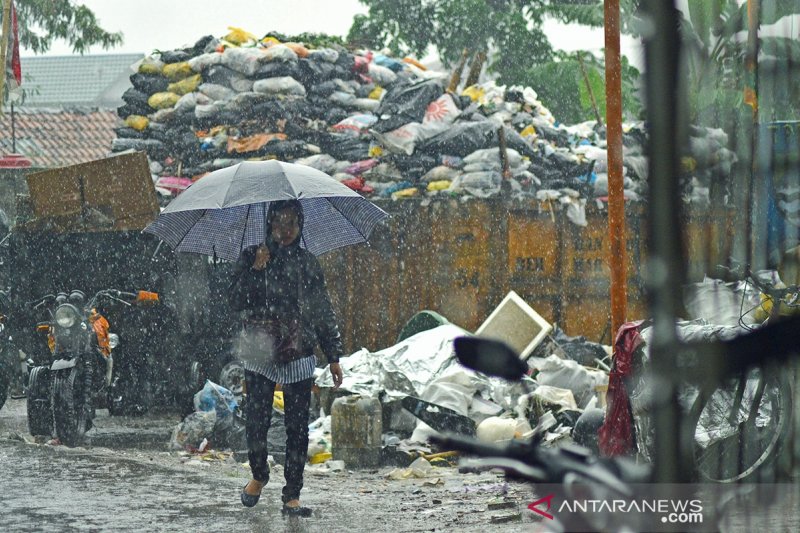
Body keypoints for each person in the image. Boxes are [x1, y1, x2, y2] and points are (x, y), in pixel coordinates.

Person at [229, 200, 344, 517]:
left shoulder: (307, 263)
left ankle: (292, 493)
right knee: (256, 422)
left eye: (292, 223)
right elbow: (234, 300)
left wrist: (333, 355)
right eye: (279, 223)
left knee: (298, 428)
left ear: (300, 224)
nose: (285, 230)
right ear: (269, 224)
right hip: (259, 351)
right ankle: (259, 475)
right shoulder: (253, 256)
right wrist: (255, 271)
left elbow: (322, 310)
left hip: (299, 350)